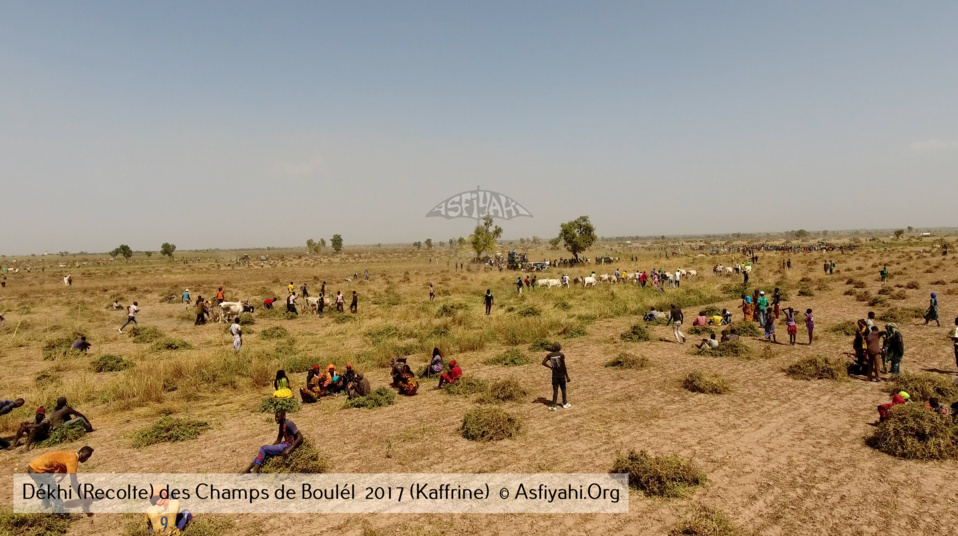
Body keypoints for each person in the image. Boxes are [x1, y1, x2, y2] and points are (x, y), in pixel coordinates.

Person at [27, 446, 94, 511]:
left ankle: (45, 508)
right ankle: (61, 512)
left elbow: (60, 462)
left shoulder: (71, 454)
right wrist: (83, 499)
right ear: (82, 454)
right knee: (53, 492)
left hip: (32, 467)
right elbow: (74, 483)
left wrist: (63, 474)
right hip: (39, 470)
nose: (86, 459)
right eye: (86, 457)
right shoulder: (73, 460)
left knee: (44, 489)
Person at [542, 343, 570, 410]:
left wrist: (550, 367)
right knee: (563, 389)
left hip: (554, 375)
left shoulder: (550, 355)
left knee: (555, 390)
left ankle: (554, 405)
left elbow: (543, 362)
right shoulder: (561, 355)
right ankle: (564, 403)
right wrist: (567, 376)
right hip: (561, 375)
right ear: (559, 348)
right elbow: (564, 366)